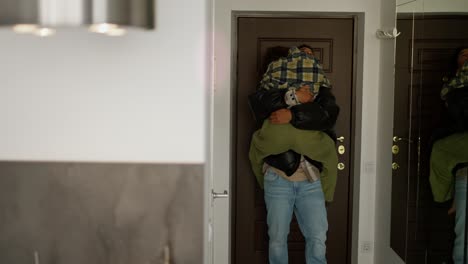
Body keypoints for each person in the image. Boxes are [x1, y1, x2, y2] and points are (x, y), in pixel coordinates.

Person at [248, 44, 340, 264]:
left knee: (318, 238)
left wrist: (291, 114)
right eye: (300, 55)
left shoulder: (320, 89)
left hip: (311, 180)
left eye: (309, 56)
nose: (305, 59)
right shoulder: (271, 86)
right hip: (277, 177)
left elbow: (328, 114)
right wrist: (291, 95)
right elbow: (258, 104)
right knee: (277, 240)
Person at [429, 47, 468, 264]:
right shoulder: (452, 88)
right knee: (461, 235)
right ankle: (445, 198)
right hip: (462, 173)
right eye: (464, 55)